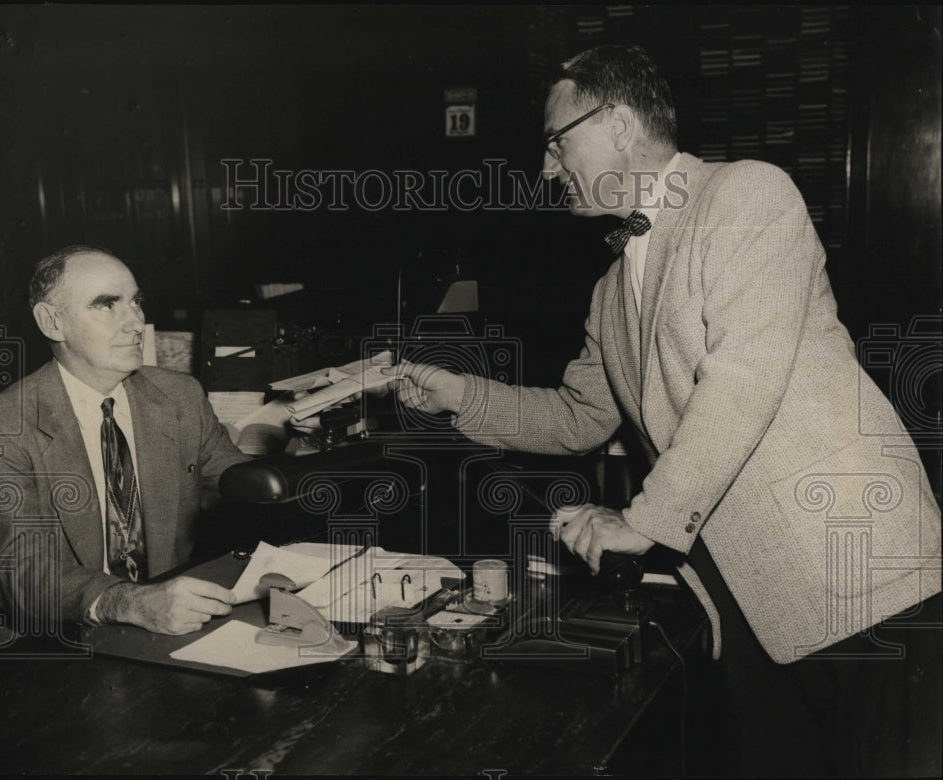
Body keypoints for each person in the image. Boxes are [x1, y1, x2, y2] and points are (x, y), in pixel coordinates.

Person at [388, 45, 941, 776]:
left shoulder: (746, 194)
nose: (547, 168)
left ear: (618, 122)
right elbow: (580, 416)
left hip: (856, 571)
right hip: (744, 596)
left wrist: (638, 523)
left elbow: (743, 380)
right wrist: (461, 395)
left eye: (557, 142)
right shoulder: (610, 289)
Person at [0, 246, 254, 665]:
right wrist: (126, 603)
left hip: (157, 632)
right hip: (30, 648)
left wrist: (295, 472)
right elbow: (14, 569)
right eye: (106, 305)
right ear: (52, 322)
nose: (135, 323)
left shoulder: (179, 396)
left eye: (135, 301)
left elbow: (241, 481)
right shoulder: (0, 425)